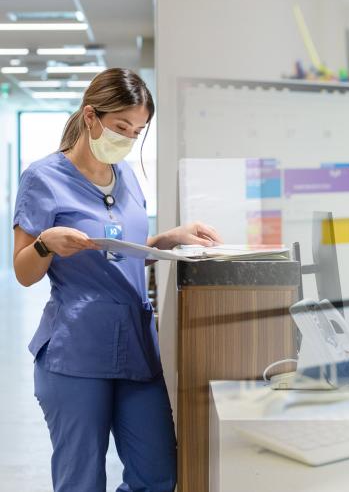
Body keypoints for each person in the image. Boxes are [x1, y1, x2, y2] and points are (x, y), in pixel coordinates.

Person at [12, 68, 222, 492]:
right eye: (121, 126)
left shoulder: (125, 176)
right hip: (76, 351)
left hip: (135, 346)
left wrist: (167, 238)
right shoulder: (43, 178)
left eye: (138, 130)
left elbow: (117, 248)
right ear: (91, 117)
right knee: (82, 481)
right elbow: (22, 272)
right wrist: (45, 245)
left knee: (158, 474)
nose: (128, 138)